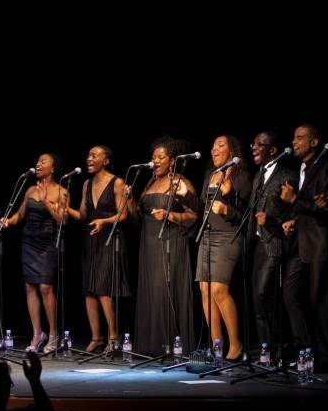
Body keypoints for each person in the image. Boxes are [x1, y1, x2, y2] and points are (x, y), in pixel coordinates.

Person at [127, 136, 199, 356]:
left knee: (164, 290)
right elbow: (139, 217)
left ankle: (171, 345)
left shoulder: (181, 183)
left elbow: (194, 216)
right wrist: (129, 201)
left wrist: (170, 215)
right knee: (151, 291)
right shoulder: (150, 182)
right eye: (153, 157)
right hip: (148, 243)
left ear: (172, 160)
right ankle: (152, 346)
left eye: (160, 157)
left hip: (171, 242)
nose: (155, 161)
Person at [279, 124, 328, 371]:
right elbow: (307, 208)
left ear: (314, 142)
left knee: (319, 302)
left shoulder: (324, 169)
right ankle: (305, 349)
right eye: (294, 137)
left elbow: (325, 210)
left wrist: (294, 201)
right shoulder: (301, 169)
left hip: (318, 244)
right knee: (290, 294)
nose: (295, 141)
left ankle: (325, 357)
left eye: (301, 138)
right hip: (300, 244)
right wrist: (293, 219)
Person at [1, 153, 70, 352]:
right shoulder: (30, 188)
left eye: (43, 161)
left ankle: (54, 334)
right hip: (29, 242)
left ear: (53, 167)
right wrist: (9, 221)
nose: (38, 164)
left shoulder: (61, 191)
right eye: (37, 161)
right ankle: (37, 333)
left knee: (45, 287)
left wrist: (47, 201)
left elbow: (63, 220)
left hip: (47, 244)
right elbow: (21, 214)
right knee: (30, 286)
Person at [66, 146, 130, 353]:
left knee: (103, 289)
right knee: (89, 290)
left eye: (94, 155)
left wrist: (104, 221)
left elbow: (123, 215)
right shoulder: (86, 183)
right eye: (88, 155)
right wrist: (65, 209)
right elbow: (84, 215)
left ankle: (113, 336)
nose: (89, 158)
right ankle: (96, 337)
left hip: (110, 238)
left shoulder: (117, 182)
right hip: (90, 239)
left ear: (106, 160)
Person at [195, 135, 252, 361]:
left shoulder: (242, 176)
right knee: (205, 290)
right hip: (207, 235)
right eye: (213, 145)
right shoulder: (212, 175)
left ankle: (236, 344)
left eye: (221, 145)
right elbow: (204, 204)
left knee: (219, 289)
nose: (214, 149)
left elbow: (247, 215)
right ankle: (216, 345)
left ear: (232, 151)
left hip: (228, 236)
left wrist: (228, 203)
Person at [247, 132, 297, 352]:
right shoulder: (258, 176)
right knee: (257, 301)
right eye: (253, 144)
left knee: (264, 293)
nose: (255, 148)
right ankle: (266, 351)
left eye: (261, 145)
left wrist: (273, 221)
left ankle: (280, 347)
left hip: (275, 242)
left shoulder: (287, 175)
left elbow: (295, 213)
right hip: (258, 244)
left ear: (273, 150)